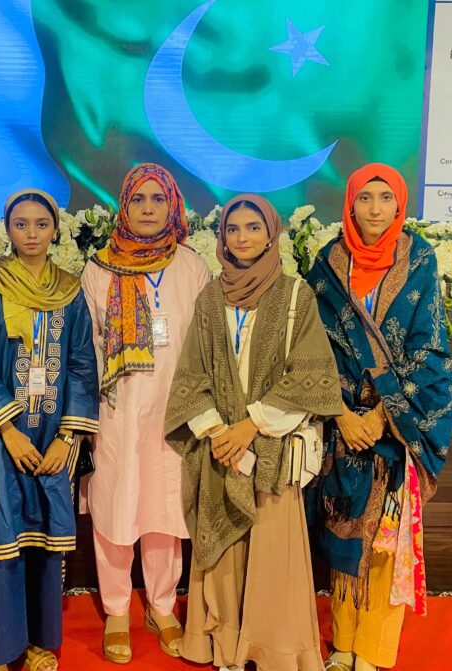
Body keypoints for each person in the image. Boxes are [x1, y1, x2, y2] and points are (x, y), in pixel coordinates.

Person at [164, 194, 342, 671]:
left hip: (271, 447)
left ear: (270, 234)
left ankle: (272, 651)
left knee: (273, 555)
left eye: (253, 227)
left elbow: (311, 375)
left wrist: (251, 426)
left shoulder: (295, 295)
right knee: (224, 552)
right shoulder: (210, 298)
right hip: (221, 448)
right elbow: (191, 376)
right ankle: (225, 646)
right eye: (233, 229)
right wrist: (217, 432)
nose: (242, 237)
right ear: (222, 237)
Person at [307, 164, 452, 671]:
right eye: (365, 197)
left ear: (399, 205)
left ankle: (371, 651)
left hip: (396, 426)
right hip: (342, 423)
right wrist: (342, 414)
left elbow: (429, 346)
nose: (375, 208)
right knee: (343, 532)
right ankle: (342, 644)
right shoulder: (328, 264)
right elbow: (312, 349)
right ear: (350, 204)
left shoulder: (419, 260)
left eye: (385, 198)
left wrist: (380, 414)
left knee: (385, 541)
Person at [81, 163, 211, 663]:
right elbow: (88, 347)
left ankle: (162, 606)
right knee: (116, 505)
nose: (149, 208)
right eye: (139, 199)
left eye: (158, 199)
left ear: (173, 205)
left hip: (175, 409)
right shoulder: (99, 268)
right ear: (124, 206)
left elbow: (205, 343)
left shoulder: (191, 267)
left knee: (163, 508)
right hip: (117, 409)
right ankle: (117, 609)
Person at [0, 189, 99, 671]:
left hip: (53, 437)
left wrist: (68, 438)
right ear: (7, 228)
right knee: (2, 537)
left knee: (45, 536)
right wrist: (8, 431)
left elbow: (82, 365)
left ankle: (41, 641)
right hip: (4, 435)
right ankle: (0, 648)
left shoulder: (70, 289)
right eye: (20, 224)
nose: (31, 233)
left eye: (41, 224)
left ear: (55, 230)